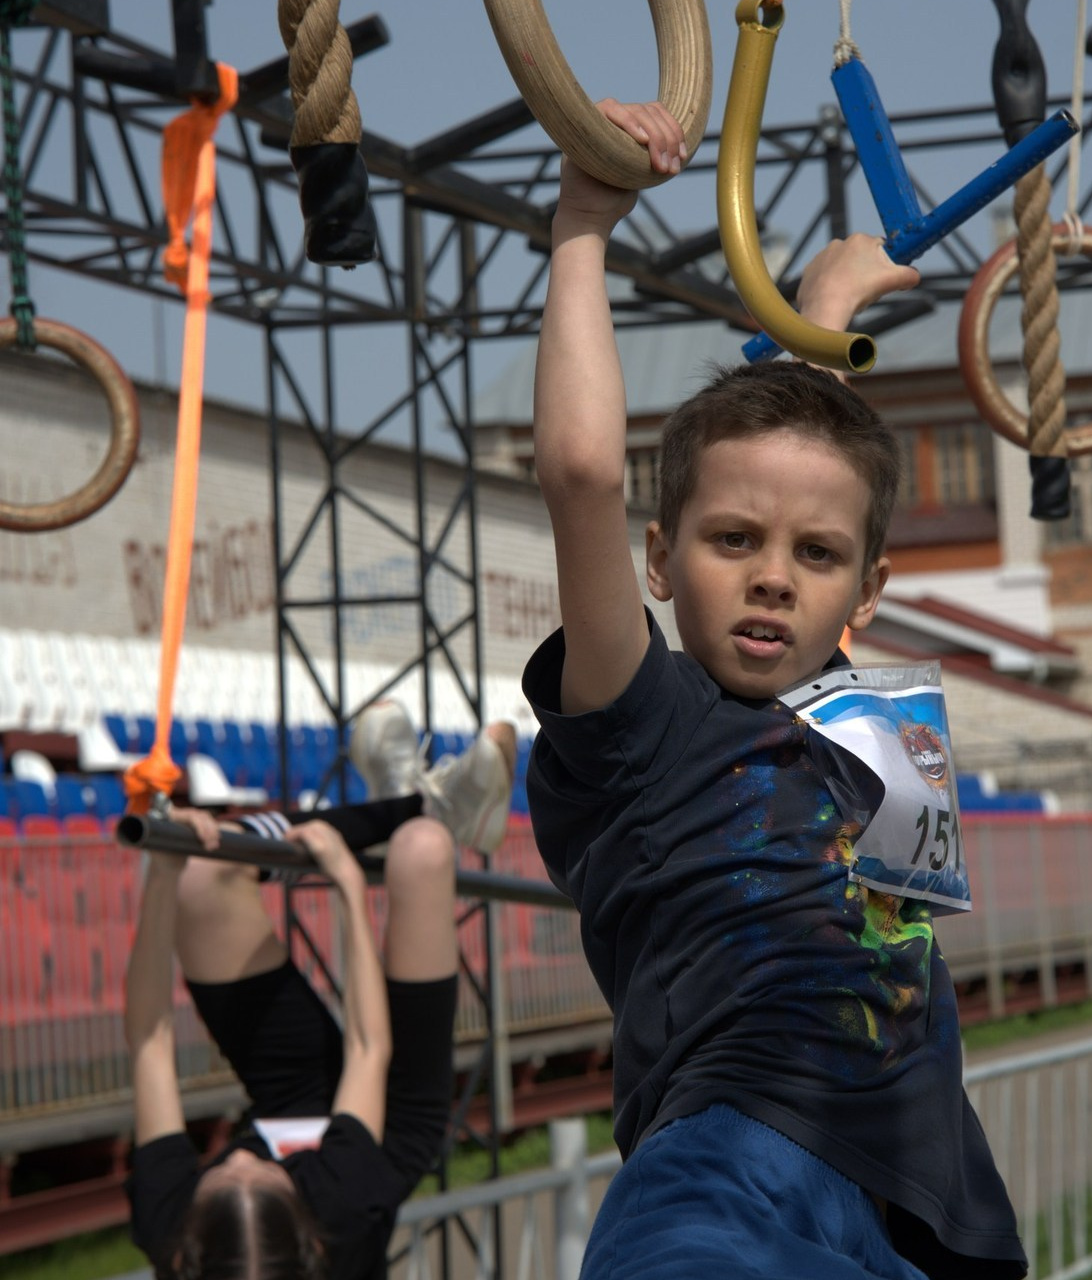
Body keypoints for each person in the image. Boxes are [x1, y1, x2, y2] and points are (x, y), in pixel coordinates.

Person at [519, 99, 1027, 1279]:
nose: (768, 578)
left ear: (865, 584)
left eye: (810, 560)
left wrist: (829, 301)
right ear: (657, 561)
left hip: (932, 1194)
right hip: (728, 1170)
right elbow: (584, 472)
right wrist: (583, 223)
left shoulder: (885, 720)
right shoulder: (646, 719)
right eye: (729, 541)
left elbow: (801, 477)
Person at [123, 711, 516, 1280]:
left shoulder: (168, 1218)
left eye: (225, 1170)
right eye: (262, 1173)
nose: (239, 1157)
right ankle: (425, 812)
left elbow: (148, 1040)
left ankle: (423, 805)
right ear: (305, 1226)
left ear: (186, 1251)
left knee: (201, 879)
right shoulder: (341, 1202)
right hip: (391, 1126)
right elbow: (367, 1050)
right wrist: (348, 890)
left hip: (290, 1102)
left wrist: (162, 872)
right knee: (422, 853)